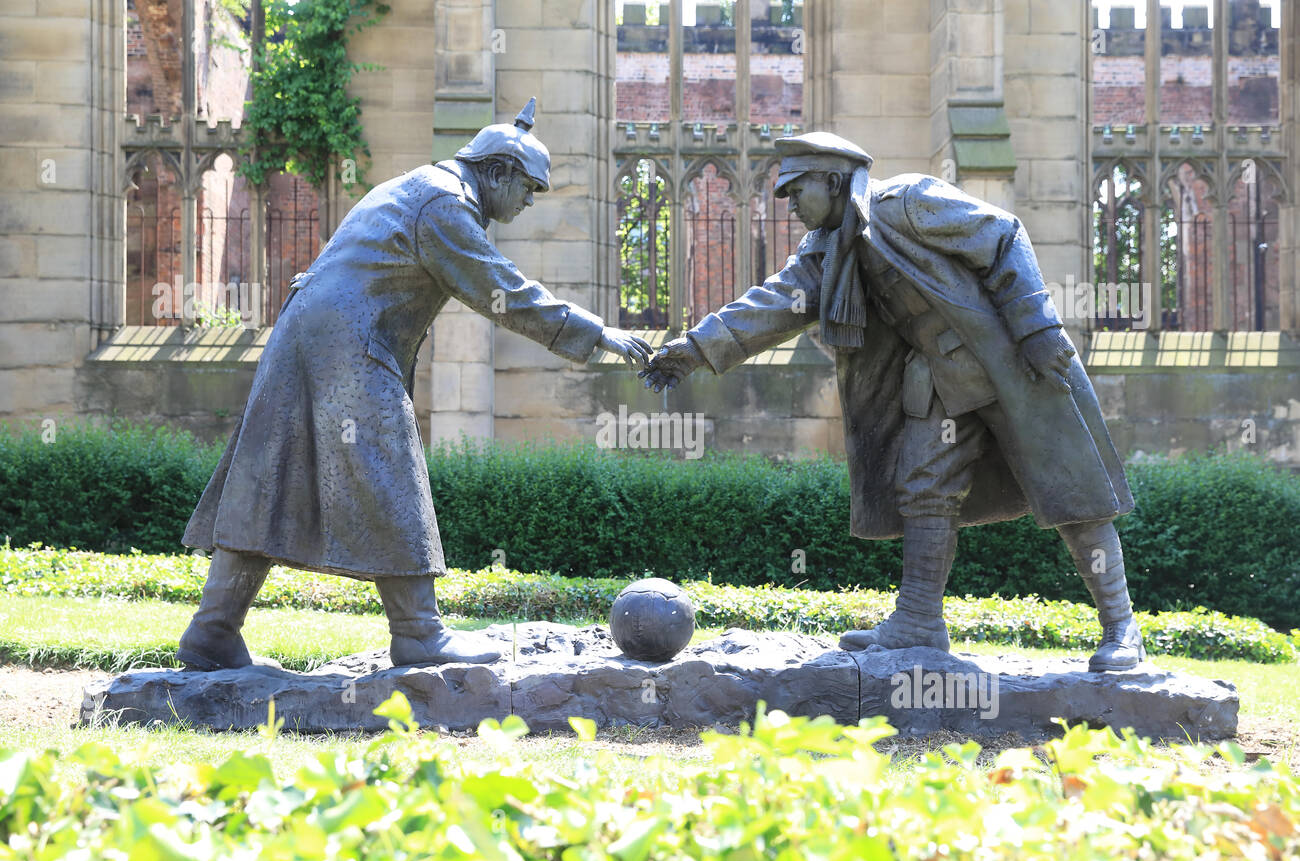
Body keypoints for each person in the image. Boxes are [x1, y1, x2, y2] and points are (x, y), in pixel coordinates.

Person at [641, 131, 1144, 673]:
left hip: (1008, 362)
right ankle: (920, 621)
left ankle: (1123, 629)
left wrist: (1038, 326)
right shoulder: (826, 251)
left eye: (795, 190)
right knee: (923, 487)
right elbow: (769, 305)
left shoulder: (905, 201)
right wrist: (692, 350)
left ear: (832, 181)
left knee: (1070, 490)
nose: (789, 205)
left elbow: (1003, 234)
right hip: (937, 381)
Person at [179, 100, 651, 671]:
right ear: (497, 171)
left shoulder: (419, 185)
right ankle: (419, 632)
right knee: (390, 469)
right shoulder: (445, 206)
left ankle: (212, 632)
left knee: (271, 477)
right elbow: (502, 289)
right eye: (528, 188)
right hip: (349, 347)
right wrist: (598, 333)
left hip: (304, 337)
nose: (529, 203)